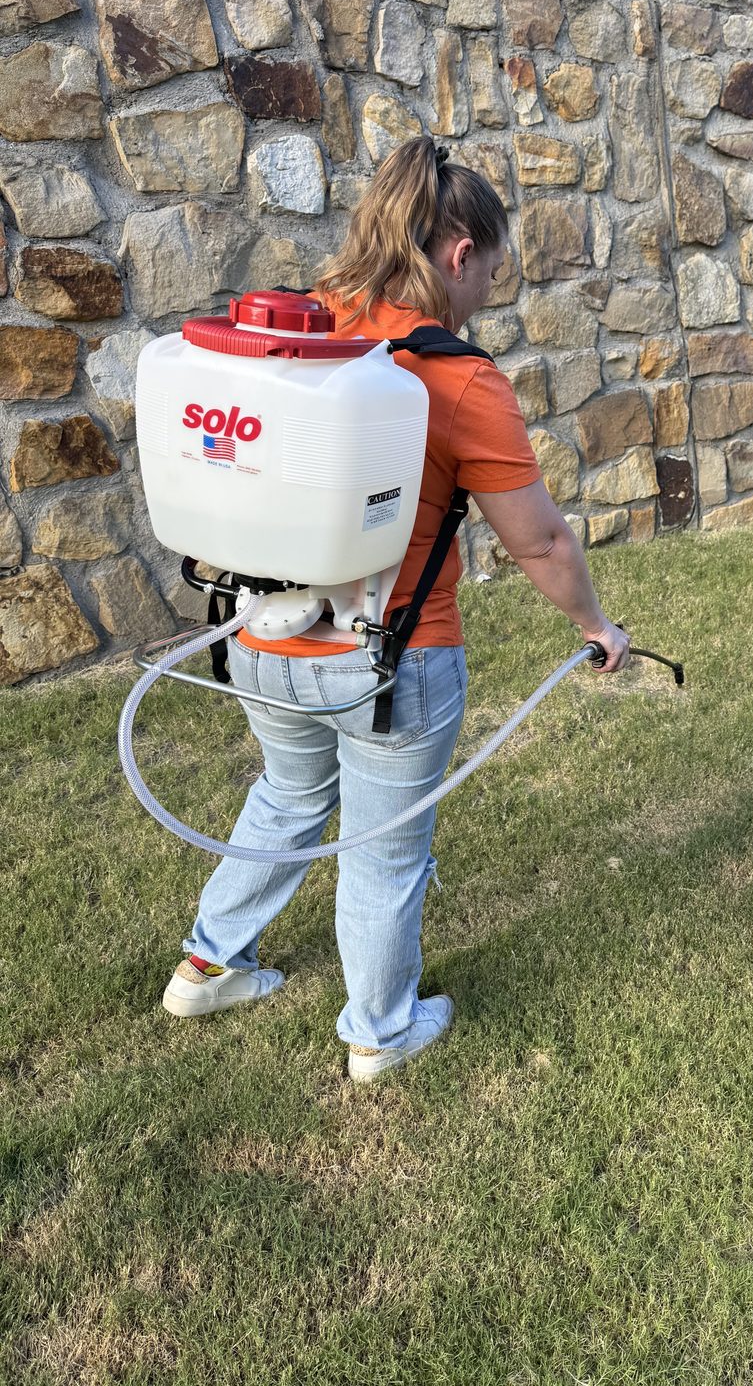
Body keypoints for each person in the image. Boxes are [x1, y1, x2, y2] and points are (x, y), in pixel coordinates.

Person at [161, 136, 630, 1082]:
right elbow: (539, 541)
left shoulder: (306, 328)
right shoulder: (458, 380)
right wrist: (595, 625)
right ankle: (380, 1030)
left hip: (258, 637)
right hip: (389, 664)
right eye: (491, 274)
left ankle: (209, 962)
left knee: (289, 797)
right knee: (383, 852)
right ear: (460, 257)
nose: (487, 293)